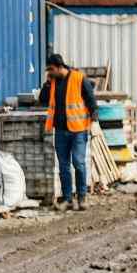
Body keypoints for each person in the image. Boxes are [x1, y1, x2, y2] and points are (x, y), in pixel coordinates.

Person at [37, 53, 97, 212]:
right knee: (63, 167)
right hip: (61, 131)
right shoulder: (54, 82)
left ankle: (82, 198)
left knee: (78, 163)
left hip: (78, 130)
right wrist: (48, 83)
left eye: (50, 70)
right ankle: (68, 199)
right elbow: (42, 99)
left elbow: (91, 100)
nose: (49, 73)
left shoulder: (78, 78)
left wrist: (94, 121)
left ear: (58, 67)